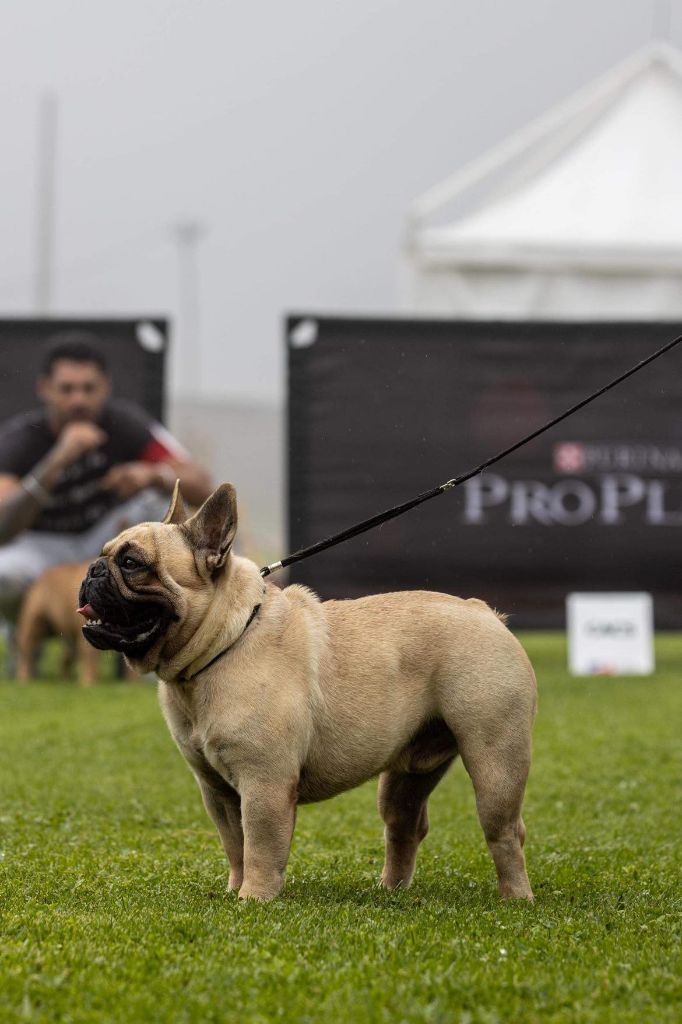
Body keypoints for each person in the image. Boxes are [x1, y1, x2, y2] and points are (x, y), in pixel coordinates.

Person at [0, 331, 213, 620]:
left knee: (165, 501)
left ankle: (164, 624)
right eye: (67, 389)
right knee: (4, 575)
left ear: (106, 387)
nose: (79, 400)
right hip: (41, 550)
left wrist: (153, 475)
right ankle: (24, 631)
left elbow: (203, 486)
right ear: (45, 389)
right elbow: (2, 525)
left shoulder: (125, 423)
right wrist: (57, 460)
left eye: (89, 389)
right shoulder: (20, 439)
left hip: (106, 544)